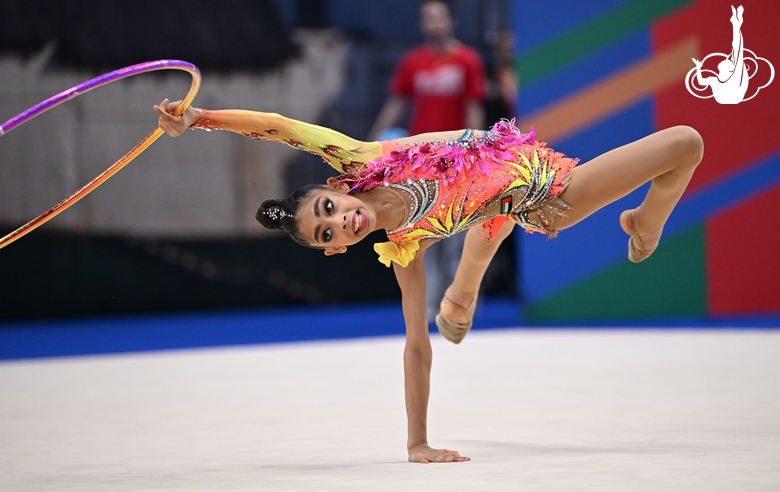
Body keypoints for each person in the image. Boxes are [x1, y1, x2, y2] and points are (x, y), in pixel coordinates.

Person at [154, 99, 704, 463]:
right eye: (327, 234)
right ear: (339, 248)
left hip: (506, 164)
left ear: (335, 187)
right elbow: (416, 348)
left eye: (327, 208)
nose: (337, 221)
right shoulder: (405, 249)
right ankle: (642, 229)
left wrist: (199, 117)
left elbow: (277, 127)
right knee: (685, 142)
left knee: (488, 215)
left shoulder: (361, 155)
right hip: (547, 197)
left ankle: (468, 295)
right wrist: (417, 442)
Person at [368, 0, 488, 322]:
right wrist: (373, 140)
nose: (433, 23)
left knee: (459, 230)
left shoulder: (468, 60)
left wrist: (477, 146)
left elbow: (474, 105)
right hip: (421, 162)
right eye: (427, 18)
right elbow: (397, 102)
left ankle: (462, 297)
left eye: (439, 17)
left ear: (452, 20)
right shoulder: (413, 62)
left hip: (458, 159)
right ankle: (431, 301)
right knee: (424, 230)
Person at [692, 5, 747, 104]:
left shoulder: (735, 77)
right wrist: (698, 67)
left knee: (737, 50)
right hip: (726, 99)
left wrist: (736, 25)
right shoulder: (714, 80)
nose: (725, 59)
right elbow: (701, 82)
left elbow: (737, 47)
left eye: (727, 61)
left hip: (733, 98)